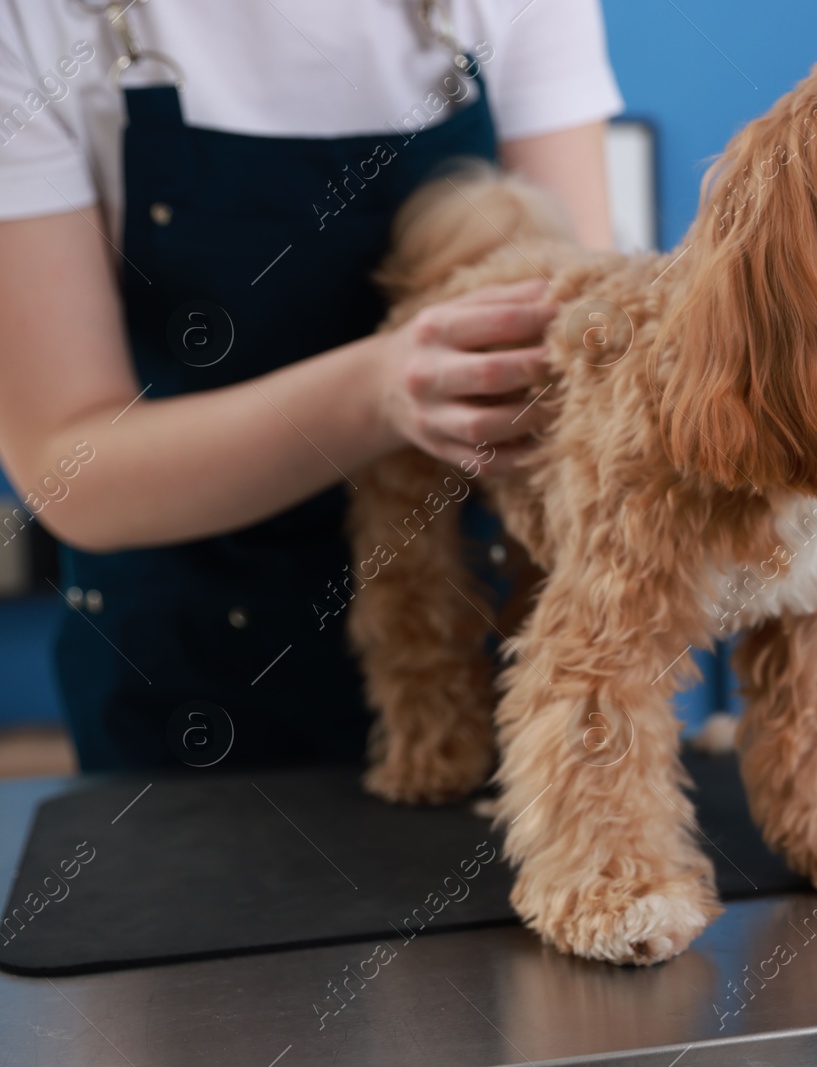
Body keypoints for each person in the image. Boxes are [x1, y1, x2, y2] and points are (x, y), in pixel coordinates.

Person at [0, 0, 623, 770]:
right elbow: (68, 469)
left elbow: (580, 351)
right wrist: (380, 392)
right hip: (191, 702)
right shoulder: (34, 22)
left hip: (502, 660)